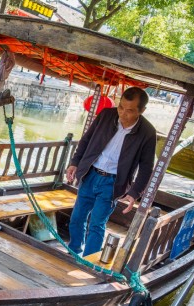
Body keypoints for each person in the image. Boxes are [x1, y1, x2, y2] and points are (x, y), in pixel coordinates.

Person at [66, 87, 156, 257]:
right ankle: (73, 252)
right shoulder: (106, 115)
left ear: (142, 111)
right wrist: (75, 162)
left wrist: (134, 192)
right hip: (90, 174)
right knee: (77, 218)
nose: (122, 113)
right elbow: (86, 140)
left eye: (129, 111)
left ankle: (89, 260)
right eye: (121, 107)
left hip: (113, 183)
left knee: (97, 223)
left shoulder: (147, 132)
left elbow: (146, 166)